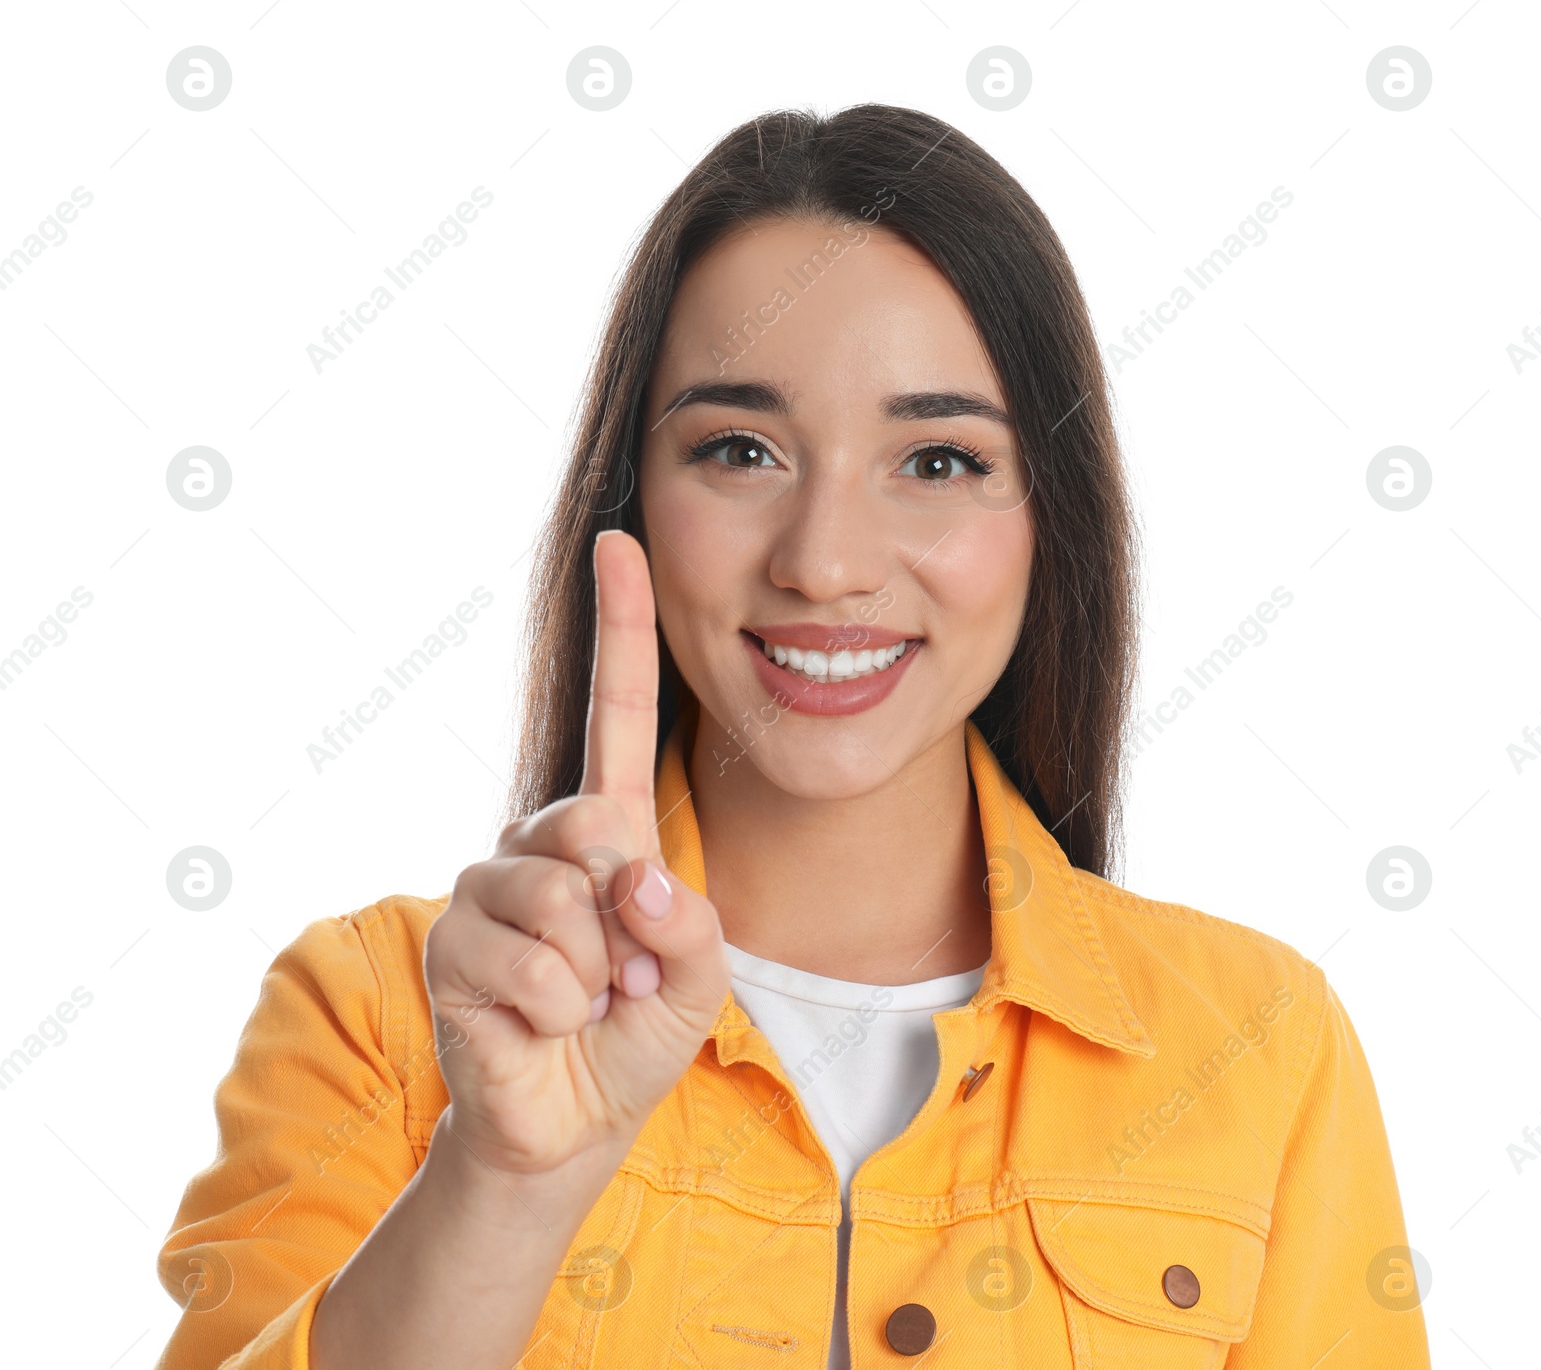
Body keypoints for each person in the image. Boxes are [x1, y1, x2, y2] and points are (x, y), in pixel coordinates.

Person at [154, 104, 1431, 1369]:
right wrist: (500, 1180)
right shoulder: (381, 1013)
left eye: (936, 461)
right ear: (633, 499)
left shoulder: (1261, 1044)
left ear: (1050, 520)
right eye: (741, 448)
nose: (825, 562)